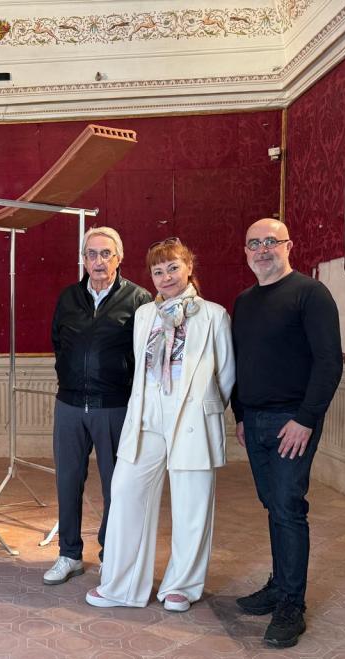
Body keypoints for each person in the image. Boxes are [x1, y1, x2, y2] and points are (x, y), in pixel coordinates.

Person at [85, 239, 234, 611]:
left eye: (173, 268)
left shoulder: (214, 315)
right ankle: (121, 585)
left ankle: (182, 586)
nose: (166, 277)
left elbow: (227, 374)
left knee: (191, 504)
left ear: (189, 267)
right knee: (125, 492)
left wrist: (203, 408)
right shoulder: (144, 315)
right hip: (147, 415)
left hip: (192, 416)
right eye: (158, 271)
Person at [232, 218, 343, 648]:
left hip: (292, 422)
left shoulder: (310, 294)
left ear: (288, 246)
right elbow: (241, 362)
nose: (262, 249)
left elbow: (329, 361)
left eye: (270, 242)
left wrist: (307, 419)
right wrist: (241, 414)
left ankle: (292, 606)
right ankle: (279, 585)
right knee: (273, 505)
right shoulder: (245, 301)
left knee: (288, 508)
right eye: (254, 243)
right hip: (255, 419)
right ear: (246, 252)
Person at [44, 227, 151, 586]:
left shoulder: (138, 299)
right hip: (70, 405)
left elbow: (143, 356)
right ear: (83, 259)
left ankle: (112, 555)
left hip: (114, 407)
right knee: (68, 482)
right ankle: (69, 554)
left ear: (119, 258)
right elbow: (58, 342)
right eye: (91, 254)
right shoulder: (68, 297)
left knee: (115, 486)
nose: (98, 260)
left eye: (106, 253)